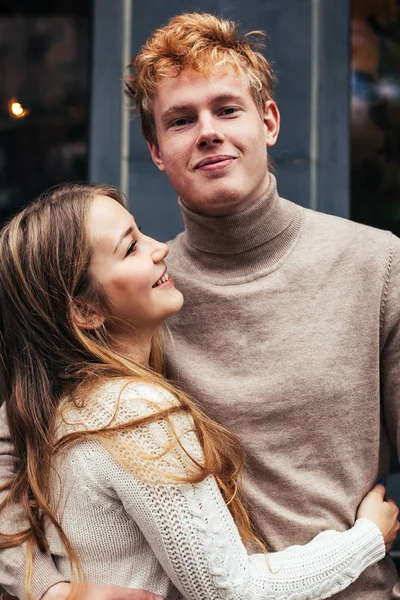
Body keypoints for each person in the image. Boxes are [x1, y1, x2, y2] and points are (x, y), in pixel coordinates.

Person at [1, 10, 400, 600]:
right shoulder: (143, 297)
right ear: (157, 151)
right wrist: (44, 588)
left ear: (268, 121)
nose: (208, 131)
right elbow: (12, 455)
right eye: (181, 120)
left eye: (228, 109)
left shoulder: (378, 264)